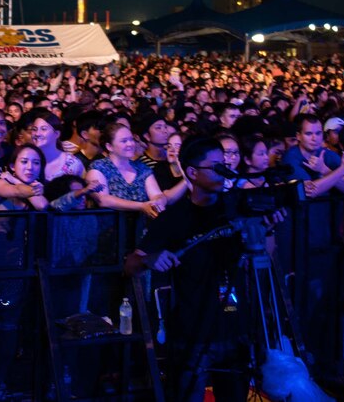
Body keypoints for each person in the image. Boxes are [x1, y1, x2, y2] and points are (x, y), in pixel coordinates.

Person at [125, 136, 285, 401]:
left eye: (225, 164)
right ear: (192, 173)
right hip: (192, 329)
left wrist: (267, 228)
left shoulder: (237, 207)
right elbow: (131, 264)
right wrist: (149, 260)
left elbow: (266, 254)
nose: (224, 171)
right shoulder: (174, 217)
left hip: (235, 324)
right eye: (216, 166)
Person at [86, 123, 169, 219]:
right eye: (124, 141)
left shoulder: (142, 168)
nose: (130, 144)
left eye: (131, 139)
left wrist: (158, 201)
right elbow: (103, 200)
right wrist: (141, 206)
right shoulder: (99, 167)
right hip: (109, 229)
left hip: (140, 230)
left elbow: (157, 194)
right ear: (109, 146)